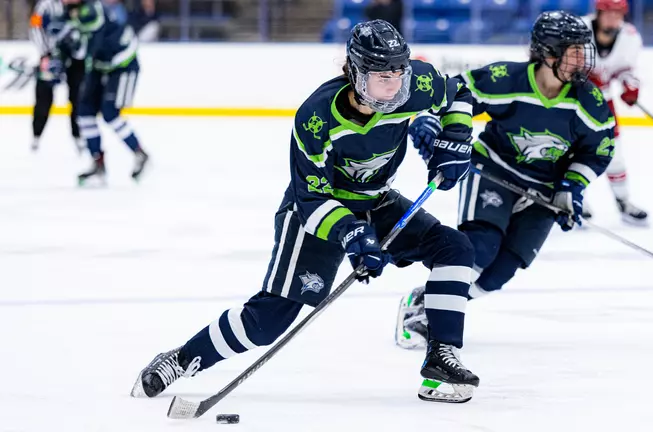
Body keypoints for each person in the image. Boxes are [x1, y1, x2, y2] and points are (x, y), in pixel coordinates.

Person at [130, 20, 481, 403]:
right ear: (357, 73)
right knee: (269, 320)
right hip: (317, 212)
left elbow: (459, 93)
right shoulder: (316, 117)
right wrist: (350, 233)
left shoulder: (416, 85)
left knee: (455, 249)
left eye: (400, 72)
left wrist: (456, 141)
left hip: (377, 200)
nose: (395, 85)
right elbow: (311, 198)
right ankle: (182, 359)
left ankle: (440, 357)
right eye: (383, 76)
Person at [396, 11, 615, 349]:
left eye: (582, 50)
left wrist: (572, 186)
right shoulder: (506, 78)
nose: (581, 59)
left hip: (545, 189)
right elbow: (455, 94)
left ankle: (428, 297)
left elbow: (598, 151)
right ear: (547, 52)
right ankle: (426, 314)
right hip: (494, 171)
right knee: (479, 249)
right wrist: (430, 121)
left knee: (499, 273)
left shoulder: (590, 101)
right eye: (573, 51)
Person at [61, 0, 150, 184]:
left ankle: (140, 153)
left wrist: (62, 65)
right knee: (84, 112)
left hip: (122, 64)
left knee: (110, 112)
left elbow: (88, 49)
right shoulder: (67, 11)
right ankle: (98, 164)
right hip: (100, 65)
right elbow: (65, 43)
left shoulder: (91, 10)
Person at [581, 0, 648, 225]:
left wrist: (630, 86)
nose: (613, 18)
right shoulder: (578, 30)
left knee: (614, 154)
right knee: (573, 152)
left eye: (618, 13)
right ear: (598, 13)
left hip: (603, 103)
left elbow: (626, 69)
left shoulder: (630, 37)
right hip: (572, 102)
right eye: (609, 12)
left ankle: (624, 202)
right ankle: (576, 200)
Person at [28, 0, 86, 153]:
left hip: (76, 59)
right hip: (51, 56)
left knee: (78, 96)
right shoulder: (46, 5)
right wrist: (45, 54)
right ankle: (36, 136)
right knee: (44, 96)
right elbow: (35, 26)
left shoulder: (84, 5)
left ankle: (79, 136)